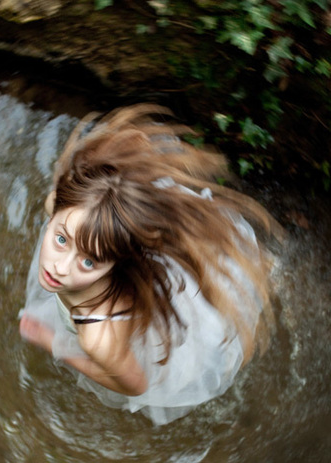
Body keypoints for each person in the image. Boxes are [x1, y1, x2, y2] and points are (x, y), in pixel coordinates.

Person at [19, 104, 280, 425]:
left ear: (116, 262)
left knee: (222, 299)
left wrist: (55, 344)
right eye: (61, 239)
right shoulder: (63, 205)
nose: (60, 267)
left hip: (130, 324)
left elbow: (136, 385)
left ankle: (268, 274)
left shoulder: (98, 337)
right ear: (58, 209)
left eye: (88, 261)